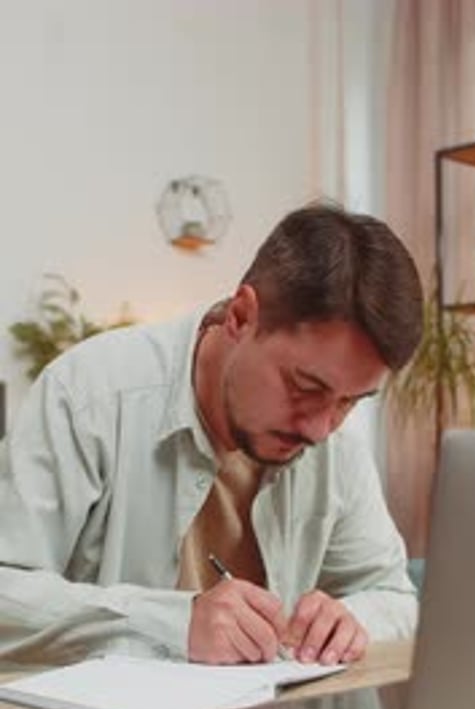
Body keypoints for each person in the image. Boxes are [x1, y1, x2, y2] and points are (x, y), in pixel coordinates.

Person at [0, 203, 423, 667]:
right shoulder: (87, 396)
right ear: (240, 316)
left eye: (350, 402)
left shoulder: (335, 444)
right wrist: (172, 623)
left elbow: (393, 596)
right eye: (305, 388)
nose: (321, 429)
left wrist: (348, 621)